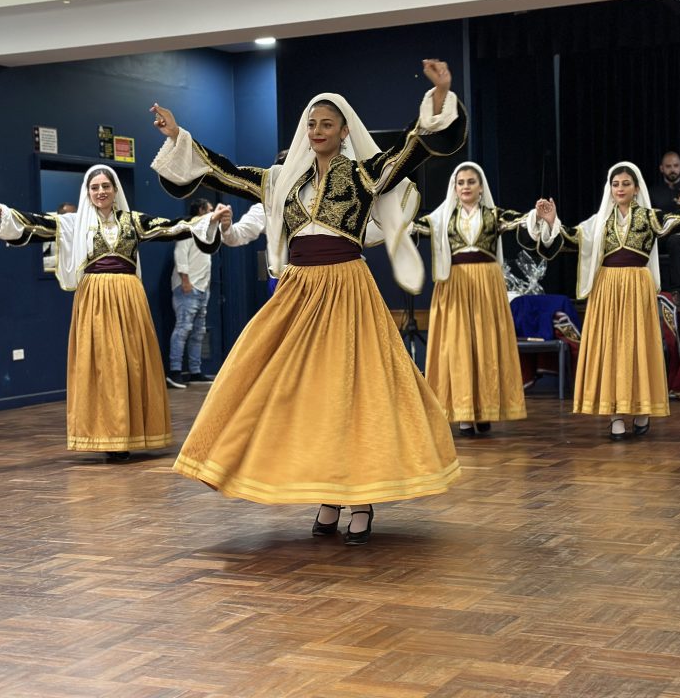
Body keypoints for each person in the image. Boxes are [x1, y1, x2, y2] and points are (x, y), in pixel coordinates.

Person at [149, 58, 467, 545]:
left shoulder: (365, 175)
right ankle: (327, 493)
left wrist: (440, 96)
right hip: (298, 292)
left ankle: (360, 498)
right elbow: (222, 172)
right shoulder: (280, 181)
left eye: (327, 124)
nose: (317, 130)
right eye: (312, 123)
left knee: (356, 395)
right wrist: (177, 137)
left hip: (346, 290)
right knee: (296, 393)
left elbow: (412, 145)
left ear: (344, 132)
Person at [0, 165, 222, 460]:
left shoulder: (133, 221)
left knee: (131, 361)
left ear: (115, 190)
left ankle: (131, 431)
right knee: (102, 363)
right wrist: (2, 213)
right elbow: (35, 224)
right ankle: (108, 435)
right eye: (94, 187)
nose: (100, 192)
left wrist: (206, 220)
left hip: (128, 297)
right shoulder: (74, 222)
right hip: (94, 298)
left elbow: (171, 227)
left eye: (105, 187)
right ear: (88, 191)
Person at [533, 161, 680, 440]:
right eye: (615, 184)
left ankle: (642, 407)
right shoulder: (598, 222)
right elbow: (571, 240)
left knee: (639, 347)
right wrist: (552, 221)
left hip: (637, 287)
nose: (620, 188)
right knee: (611, 349)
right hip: (607, 289)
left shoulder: (649, 217)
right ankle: (615, 416)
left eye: (626, 183)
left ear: (636, 188)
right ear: (609, 189)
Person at [413, 161, 527, 436]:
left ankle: (485, 408)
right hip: (455, 284)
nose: (465, 186)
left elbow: (524, 222)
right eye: (461, 182)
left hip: (487, 284)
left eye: (471, 182)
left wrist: (541, 217)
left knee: (486, 344)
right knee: (459, 345)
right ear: (455, 186)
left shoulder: (493, 215)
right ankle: (464, 413)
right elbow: (413, 227)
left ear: (480, 187)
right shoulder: (442, 218)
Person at [167, 198, 224, 388]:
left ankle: (195, 371)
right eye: (209, 209)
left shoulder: (207, 233)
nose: (212, 212)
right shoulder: (187, 230)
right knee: (183, 329)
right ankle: (174, 372)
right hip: (187, 288)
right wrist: (185, 281)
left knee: (198, 332)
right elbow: (180, 255)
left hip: (202, 289)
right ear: (200, 211)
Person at [648, 151, 680, 303]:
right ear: (661, 168)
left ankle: (676, 291)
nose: (672, 169)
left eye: (676, 166)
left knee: (675, 240)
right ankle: (647, 291)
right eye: (668, 166)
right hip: (660, 236)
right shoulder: (653, 193)